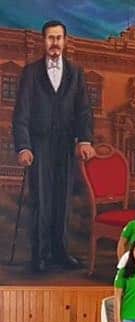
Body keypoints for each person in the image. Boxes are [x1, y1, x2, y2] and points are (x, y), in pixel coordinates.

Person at [12, 20, 96, 273]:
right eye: (50, 38)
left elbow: (84, 111)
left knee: (62, 200)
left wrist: (84, 140)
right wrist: (23, 147)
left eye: (59, 38)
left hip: (65, 147)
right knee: (41, 201)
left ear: (65, 41)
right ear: (43, 41)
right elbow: (21, 113)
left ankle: (60, 253)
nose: (55, 43)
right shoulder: (30, 72)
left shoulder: (76, 72)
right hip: (38, 146)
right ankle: (39, 255)